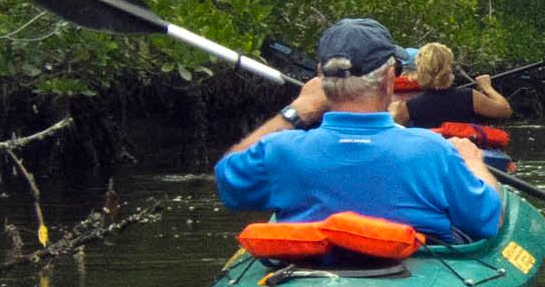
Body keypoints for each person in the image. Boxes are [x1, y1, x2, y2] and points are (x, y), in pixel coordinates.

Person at [215, 17, 504, 242]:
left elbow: (228, 179)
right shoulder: (433, 150)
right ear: (390, 77)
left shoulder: (281, 150)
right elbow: (488, 221)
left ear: (320, 77)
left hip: (310, 276)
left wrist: (298, 110)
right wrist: (473, 164)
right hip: (410, 274)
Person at [393, 42, 512, 129]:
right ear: (449, 66)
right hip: (465, 153)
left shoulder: (410, 106)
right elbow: (505, 111)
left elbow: (394, 133)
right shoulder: (470, 97)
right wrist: (487, 87)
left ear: (420, 68)